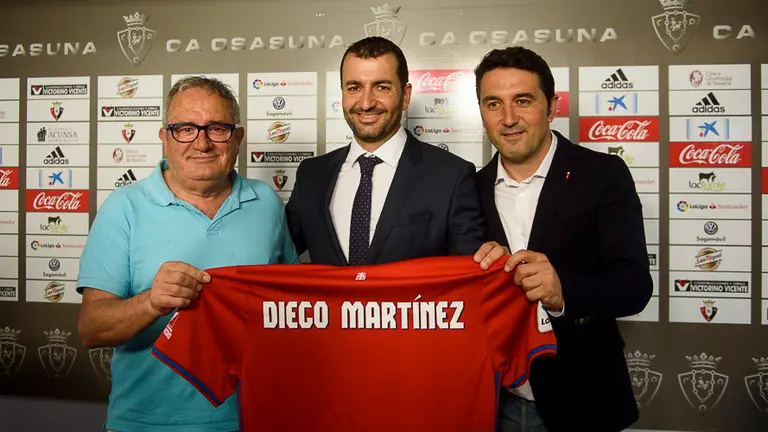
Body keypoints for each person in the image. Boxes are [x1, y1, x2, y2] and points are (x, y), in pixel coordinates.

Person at [76, 76, 298, 432]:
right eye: (185, 129)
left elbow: (290, 306)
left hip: (253, 419)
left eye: (218, 128)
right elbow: (91, 329)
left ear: (237, 138)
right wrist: (151, 301)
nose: (202, 142)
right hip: (146, 424)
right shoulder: (124, 207)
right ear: (165, 138)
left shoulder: (267, 202)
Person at [471, 47, 653, 431]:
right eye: (493, 104)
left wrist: (562, 290)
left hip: (584, 401)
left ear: (552, 107)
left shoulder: (603, 174)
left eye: (523, 101)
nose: (508, 119)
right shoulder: (470, 187)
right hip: (494, 402)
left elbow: (635, 286)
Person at [286, 36, 486, 265]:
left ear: (405, 96)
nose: (366, 103)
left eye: (382, 87)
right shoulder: (312, 174)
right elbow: (275, 254)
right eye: (354, 88)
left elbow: (468, 277)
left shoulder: (452, 176)